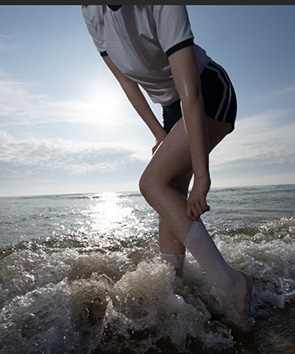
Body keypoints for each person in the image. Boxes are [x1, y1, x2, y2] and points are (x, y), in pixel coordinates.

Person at [82, 5, 253, 333]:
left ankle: (232, 284)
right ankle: (175, 290)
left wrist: (202, 177)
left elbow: (192, 94)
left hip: (207, 91)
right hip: (170, 110)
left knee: (153, 184)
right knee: (168, 194)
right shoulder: (92, 12)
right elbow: (127, 83)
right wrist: (159, 134)